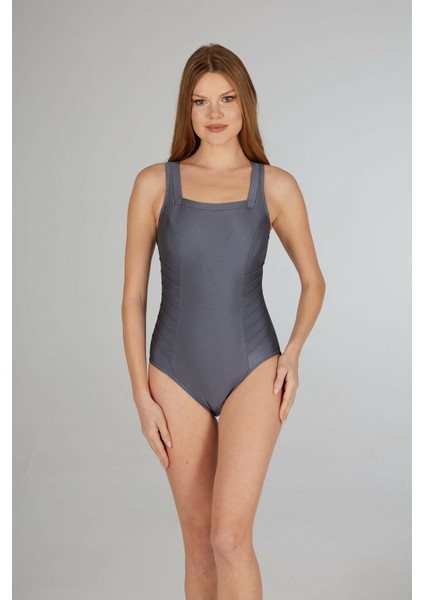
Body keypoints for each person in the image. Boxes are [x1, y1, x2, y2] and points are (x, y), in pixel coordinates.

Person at [121, 43, 325, 600]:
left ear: (244, 104)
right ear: (186, 110)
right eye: (201, 101)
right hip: (173, 375)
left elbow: (314, 282)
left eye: (226, 98)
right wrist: (141, 396)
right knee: (198, 546)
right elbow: (133, 298)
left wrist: (293, 354)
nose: (214, 113)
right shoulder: (154, 184)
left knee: (230, 538)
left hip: (254, 368)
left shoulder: (274, 186)